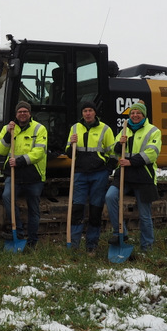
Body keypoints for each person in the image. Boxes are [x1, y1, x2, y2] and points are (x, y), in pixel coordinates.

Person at [104, 100, 162, 253]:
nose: (135, 115)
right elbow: (114, 152)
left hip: (143, 175)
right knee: (110, 197)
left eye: (138, 113)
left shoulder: (153, 131)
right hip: (124, 174)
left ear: (143, 115)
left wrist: (130, 161)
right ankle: (120, 232)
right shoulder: (124, 130)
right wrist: (119, 144)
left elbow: (152, 153)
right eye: (132, 113)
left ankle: (147, 246)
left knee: (144, 214)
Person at [0, 101, 48, 247]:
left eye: (25, 111)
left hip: (33, 175)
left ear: (30, 113)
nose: (22, 114)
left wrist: (19, 161)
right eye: (20, 112)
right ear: (16, 114)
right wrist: (7, 134)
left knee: (33, 208)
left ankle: (32, 240)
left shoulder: (39, 128)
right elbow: (0, 150)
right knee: (7, 196)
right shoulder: (8, 128)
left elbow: (39, 152)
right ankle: (17, 231)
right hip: (14, 174)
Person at [66, 101, 116, 253]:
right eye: (85, 111)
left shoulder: (105, 129)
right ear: (82, 113)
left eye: (90, 110)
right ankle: (73, 244)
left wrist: (108, 169)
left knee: (95, 209)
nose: (87, 113)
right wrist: (71, 145)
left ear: (95, 112)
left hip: (99, 174)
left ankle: (91, 245)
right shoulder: (75, 128)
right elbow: (69, 152)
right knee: (77, 208)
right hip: (80, 173)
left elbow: (113, 152)